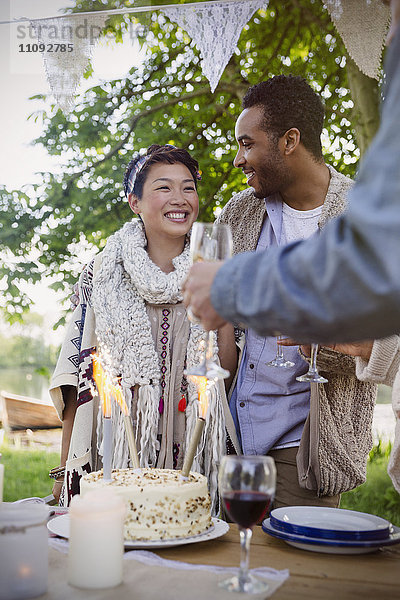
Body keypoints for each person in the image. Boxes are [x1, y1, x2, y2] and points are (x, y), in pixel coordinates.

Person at [183, 0, 400, 493]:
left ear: (289, 141)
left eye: (246, 143)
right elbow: (227, 333)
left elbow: (381, 337)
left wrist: (316, 341)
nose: (238, 158)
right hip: (233, 437)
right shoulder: (241, 212)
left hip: (306, 449)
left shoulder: (360, 214)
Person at [49, 144, 239, 510]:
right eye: (163, 187)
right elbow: (79, 383)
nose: (179, 198)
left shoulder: (215, 268)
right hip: (119, 453)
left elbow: (225, 375)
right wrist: (64, 478)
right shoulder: (102, 272)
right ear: (135, 202)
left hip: (195, 454)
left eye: (188, 187)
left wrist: (224, 300)